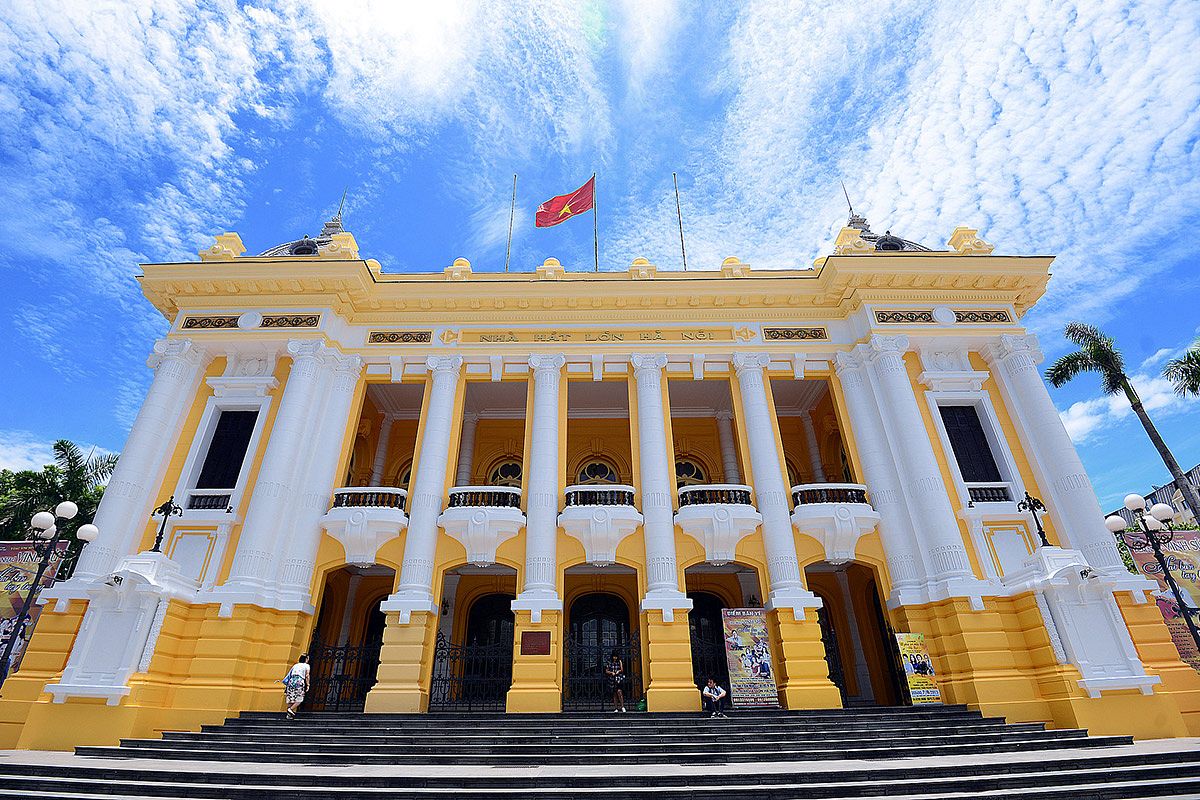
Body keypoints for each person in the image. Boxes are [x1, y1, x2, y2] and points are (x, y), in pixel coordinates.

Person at [282, 654, 310, 719]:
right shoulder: (306, 665)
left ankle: (288, 715)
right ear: (306, 659)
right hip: (299, 682)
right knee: (299, 698)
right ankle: (290, 709)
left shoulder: (295, 665)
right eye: (308, 658)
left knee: (291, 698)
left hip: (291, 682)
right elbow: (307, 675)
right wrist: (308, 685)